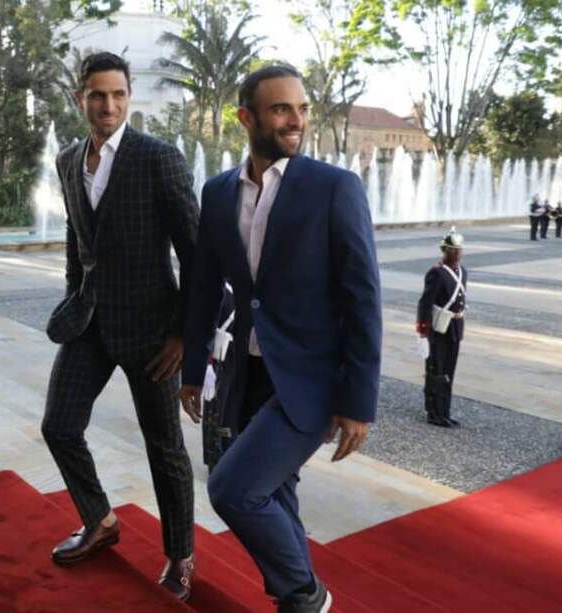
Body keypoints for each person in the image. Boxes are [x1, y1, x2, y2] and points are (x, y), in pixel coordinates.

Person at [180, 64, 382, 613]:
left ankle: (303, 595)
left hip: (311, 380)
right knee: (274, 490)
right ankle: (301, 597)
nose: (297, 121)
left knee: (232, 489)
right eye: (281, 109)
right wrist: (193, 370)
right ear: (247, 117)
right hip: (248, 374)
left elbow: (363, 298)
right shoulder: (218, 191)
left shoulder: (335, 187)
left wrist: (358, 402)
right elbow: (202, 287)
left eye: (302, 108)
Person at [41, 51, 199, 601]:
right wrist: (70, 299)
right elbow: (77, 241)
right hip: (89, 322)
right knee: (59, 426)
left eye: (118, 95)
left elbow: (197, 255)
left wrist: (184, 335)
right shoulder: (66, 160)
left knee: (165, 447)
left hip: (154, 333)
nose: (108, 105)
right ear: (79, 97)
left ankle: (181, 555)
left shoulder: (159, 158)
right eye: (97, 94)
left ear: (129, 97)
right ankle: (101, 521)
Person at [416, 228, 467, 428]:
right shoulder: (436, 273)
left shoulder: (463, 272)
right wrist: (422, 333)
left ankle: (445, 410)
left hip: (455, 326)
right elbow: (425, 303)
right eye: (453, 250)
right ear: (444, 250)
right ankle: (434, 412)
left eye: (459, 250)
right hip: (438, 330)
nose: (457, 253)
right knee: (436, 371)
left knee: (449, 372)